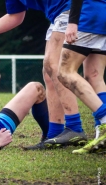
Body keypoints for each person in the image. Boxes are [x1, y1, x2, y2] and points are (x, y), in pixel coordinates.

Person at [0, 0, 88, 150]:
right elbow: (15, 16)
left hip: (72, 10)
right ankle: (54, 134)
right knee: (48, 72)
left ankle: (74, 127)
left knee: (55, 65)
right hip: (58, 15)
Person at [55, 0, 106, 154]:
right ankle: (101, 137)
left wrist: (72, 22)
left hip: (88, 15)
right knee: (94, 76)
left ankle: (105, 120)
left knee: (65, 72)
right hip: (102, 15)